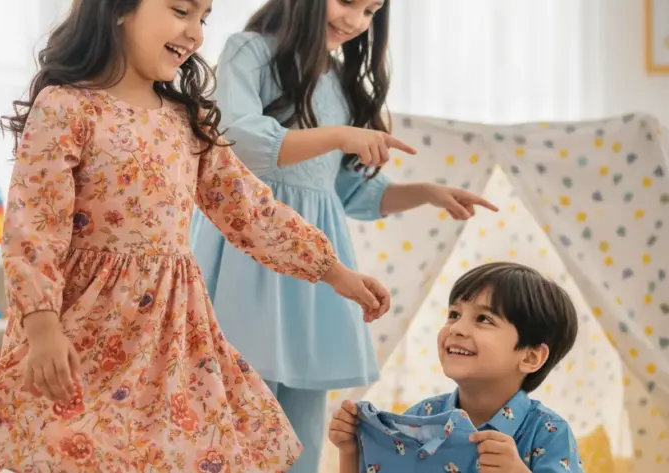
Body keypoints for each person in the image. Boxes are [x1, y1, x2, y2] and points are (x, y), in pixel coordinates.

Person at [0, 0, 394, 471]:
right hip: (84, 323)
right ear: (117, 9)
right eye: (180, 10)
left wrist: (333, 272)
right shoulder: (67, 107)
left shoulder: (188, 121)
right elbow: (34, 226)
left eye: (203, 18)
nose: (195, 33)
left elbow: (250, 210)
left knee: (172, 450)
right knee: (78, 448)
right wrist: (41, 326)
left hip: (172, 329)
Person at [190, 1, 497, 470]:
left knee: (302, 426)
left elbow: (350, 192)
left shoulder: (340, 82)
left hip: (315, 275)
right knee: (237, 407)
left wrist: (427, 192)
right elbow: (241, 141)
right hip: (246, 252)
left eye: (371, 11)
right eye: (349, 1)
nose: (356, 20)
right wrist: (337, 135)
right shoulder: (248, 51)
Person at [328, 262, 583, 473]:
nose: (457, 328)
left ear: (530, 357)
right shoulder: (422, 417)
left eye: (483, 319)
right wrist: (350, 451)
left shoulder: (549, 432)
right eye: (454, 314)